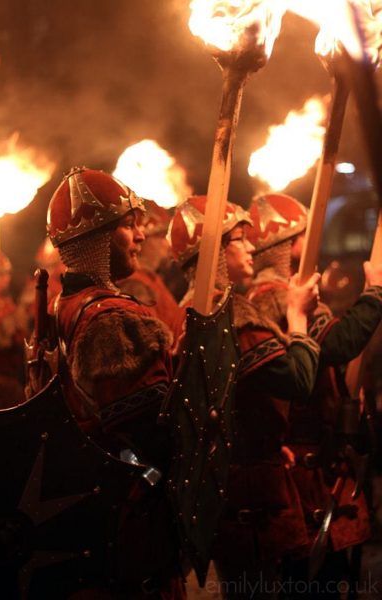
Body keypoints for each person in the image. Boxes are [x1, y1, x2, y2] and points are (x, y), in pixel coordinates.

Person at [167, 195, 321, 599]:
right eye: (238, 239)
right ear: (214, 253)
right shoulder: (230, 315)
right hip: (246, 491)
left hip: (222, 487)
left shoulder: (185, 312)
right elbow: (297, 381)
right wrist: (299, 319)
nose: (251, 246)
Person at [45, 166, 185, 599]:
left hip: (99, 514)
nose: (141, 236)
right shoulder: (111, 320)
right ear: (98, 238)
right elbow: (152, 438)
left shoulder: (65, 305)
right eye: (128, 225)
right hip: (129, 522)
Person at [246, 192, 382, 598]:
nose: (313, 244)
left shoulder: (265, 294)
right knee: (312, 581)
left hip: (304, 458)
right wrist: (375, 292)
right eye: (304, 236)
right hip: (300, 463)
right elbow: (338, 344)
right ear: (285, 245)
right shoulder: (278, 295)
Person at [118, 199, 180, 330]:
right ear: (145, 240)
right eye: (161, 237)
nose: (167, 244)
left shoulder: (151, 279)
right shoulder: (134, 286)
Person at [0, 250, 29, 408]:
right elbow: (3, 343)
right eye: (1, 274)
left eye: (7, 274)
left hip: (11, 369)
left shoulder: (5, 300)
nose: (6, 278)